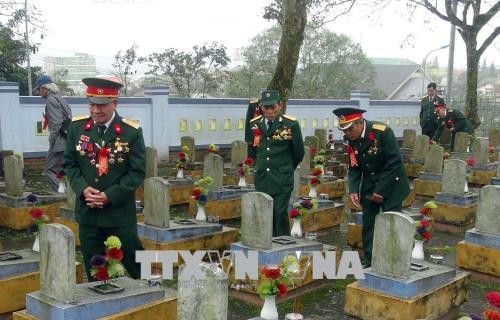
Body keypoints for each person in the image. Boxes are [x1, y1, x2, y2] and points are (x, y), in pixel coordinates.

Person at [63, 77, 145, 280]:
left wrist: (110, 195)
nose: (95, 111)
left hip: (119, 213)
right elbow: (70, 164)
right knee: (94, 266)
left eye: (101, 105)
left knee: (136, 262)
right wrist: (82, 189)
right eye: (91, 104)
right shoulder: (77, 128)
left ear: (115, 103)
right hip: (88, 212)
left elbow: (136, 172)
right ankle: (100, 304)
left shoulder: (130, 132)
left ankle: (152, 296)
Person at [333, 107, 410, 267]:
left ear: (360, 122)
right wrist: (353, 190)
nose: (347, 133)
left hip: (392, 184)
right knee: (369, 224)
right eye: (343, 130)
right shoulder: (351, 140)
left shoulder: (382, 132)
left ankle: (393, 261)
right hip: (370, 185)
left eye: (349, 129)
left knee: (392, 223)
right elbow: (354, 166)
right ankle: (370, 260)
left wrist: (381, 190)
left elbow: (394, 162)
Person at [247, 89, 305, 236]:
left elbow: (298, 152)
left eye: (273, 107)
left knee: (279, 213)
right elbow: (252, 149)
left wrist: (286, 167)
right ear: (261, 107)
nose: (270, 111)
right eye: (266, 107)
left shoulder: (290, 124)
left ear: (280, 105)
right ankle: (266, 243)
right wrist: (257, 166)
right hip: (263, 178)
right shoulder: (255, 124)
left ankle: (282, 243)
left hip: (281, 178)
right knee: (264, 213)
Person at [35, 75, 72, 191]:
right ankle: (70, 193)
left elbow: (56, 124)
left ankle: (63, 193)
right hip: (67, 139)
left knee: (48, 170)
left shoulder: (51, 100)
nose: (38, 92)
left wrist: (52, 141)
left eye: (38, 89)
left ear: (45, 88)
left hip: (59, 141)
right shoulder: (59, 98)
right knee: (65, 169)